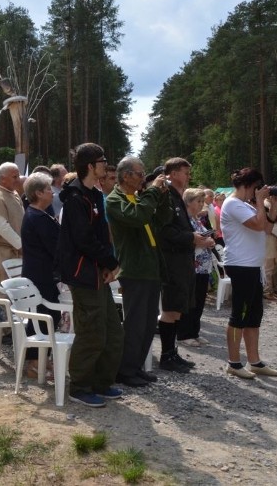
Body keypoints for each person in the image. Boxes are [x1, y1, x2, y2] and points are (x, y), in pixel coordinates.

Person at [57, 143, 122, 408]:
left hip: (98, 272)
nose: (106, 165)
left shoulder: (94, 194)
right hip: (82, 274)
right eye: (102, 161)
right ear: (90, 165)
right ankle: (80, 386)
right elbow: (83, 239)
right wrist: (109, 260)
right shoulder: (74, 198)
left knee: (112, 331)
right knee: (91, 332)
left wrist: (109, 264)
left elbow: (101, 233)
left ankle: (101, 382)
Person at [105, 156, 170, 387]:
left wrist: (162, 197)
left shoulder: (139, 197)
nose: (144, 178)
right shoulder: (115, 200)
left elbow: (161, 220)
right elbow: (137, 217)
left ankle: (136, 366)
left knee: (148, 322)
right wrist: (152, 193)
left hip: (149, 268)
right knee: (135, 323)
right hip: (134, 269)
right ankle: (125, 370)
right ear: (126, 176)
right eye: (140, 174)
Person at [221, 168, 277, 379]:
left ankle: (254, 361)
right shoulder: (233, 204)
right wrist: (260, 202)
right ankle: (234, 362)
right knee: (240, 313)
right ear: (248, 186)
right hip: (241, 265)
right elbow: (257, 225)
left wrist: (271, 205)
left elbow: (266, 228)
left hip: (253, 266)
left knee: (254, 315)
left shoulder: (246, 204)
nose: (257, 192)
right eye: (256, 188)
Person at [157, 158, 208, 372]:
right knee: (170, 309)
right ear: (174, 173)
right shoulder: (166, 196)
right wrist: (191, 237)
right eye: (186, 173)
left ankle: (172, 352)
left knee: (178, 309)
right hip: (172, 260)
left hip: (182, 259)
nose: (189, 177)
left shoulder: (176, 196)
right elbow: (165, 230)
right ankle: (166, 356)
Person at [20, 171, 62, 379]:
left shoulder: (40, 215)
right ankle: (35, 363)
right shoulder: (37, 217)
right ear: (38, 193)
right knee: (43, 318)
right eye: (48, 189)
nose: (52, 192)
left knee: (49, 317)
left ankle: (43, 360)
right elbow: (55, 248)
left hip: (43, 274)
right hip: (40, 276)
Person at [177, 188, 215, 347]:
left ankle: (195, 332)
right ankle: (185, 334)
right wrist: (204, 241)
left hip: (203, 267)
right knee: (190, 301)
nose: (201, 204)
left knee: (199, 300)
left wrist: (209, 241)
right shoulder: (185, 219)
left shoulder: (197, 219)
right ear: (188, 202)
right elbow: (188, 239)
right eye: (198, 201)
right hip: (192, 266)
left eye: (202, 201)